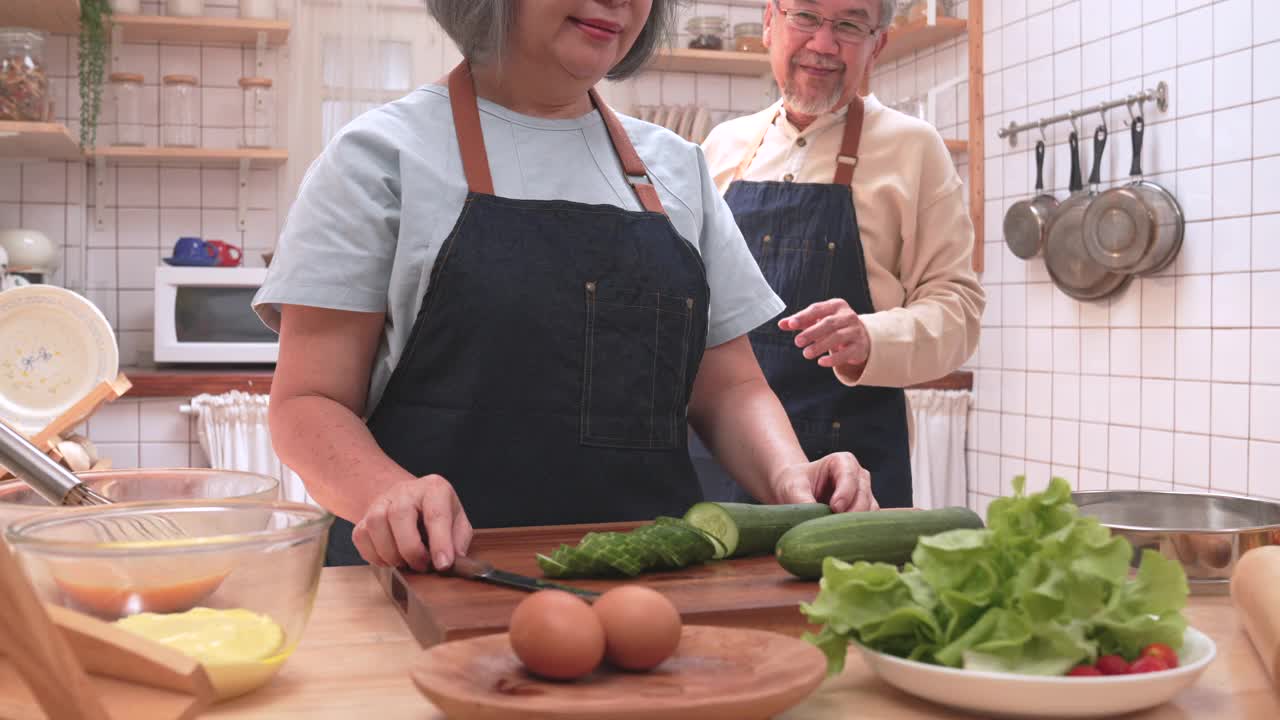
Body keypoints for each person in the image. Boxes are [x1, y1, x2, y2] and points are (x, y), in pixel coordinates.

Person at [253, 0, 880, 572]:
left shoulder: (678, 170)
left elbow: (731, 389)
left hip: (652, 582)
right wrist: (385, 491)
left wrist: (792, 477)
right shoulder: (378, 158)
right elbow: (308, 403)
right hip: (428, 580)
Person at [695, 0, 986, 509]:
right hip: (720, 461)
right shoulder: (722, 147)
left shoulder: (914, 148)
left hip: (852, 478)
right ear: (770, 23)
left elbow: (958, 311)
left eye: (850, 25)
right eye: (805, 16)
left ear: (878, 44)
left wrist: (871, 338)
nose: (824, 44)